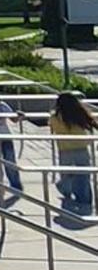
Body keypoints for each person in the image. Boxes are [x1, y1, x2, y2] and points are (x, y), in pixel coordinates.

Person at [48, 93, 96, 222]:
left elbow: (52, 126)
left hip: (64, 149)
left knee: (67, 174)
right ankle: (84, 199)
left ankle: (66, 188)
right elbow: (92, 123)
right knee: (83, 175)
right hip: (81, 147)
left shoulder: (55, 117)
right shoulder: (79, 114)